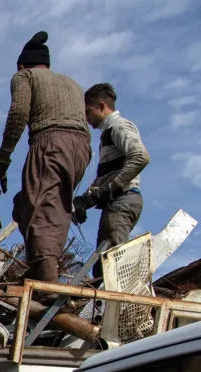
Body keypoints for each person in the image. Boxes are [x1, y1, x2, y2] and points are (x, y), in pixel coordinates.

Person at [0, 31, 92, 283]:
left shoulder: (24, 76)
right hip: (82, 149)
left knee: (42, 211)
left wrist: (2, 162)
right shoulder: (73, 84)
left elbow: (18, 114)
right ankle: (39, 265)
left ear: (22, 65)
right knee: (32, 205)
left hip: (50, 143)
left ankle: (47, 283)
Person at [73, 83, 150, 278]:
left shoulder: (118, 126)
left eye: (88, 112)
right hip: (117, 202)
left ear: (101, 106)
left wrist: (112, 188)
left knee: (114, 264)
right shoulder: (107, 134)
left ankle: (120, 299)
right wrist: (86, 200)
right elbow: (108, 176)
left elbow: (140, 156)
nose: (86, 118)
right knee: (103, 265)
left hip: (123, 200)